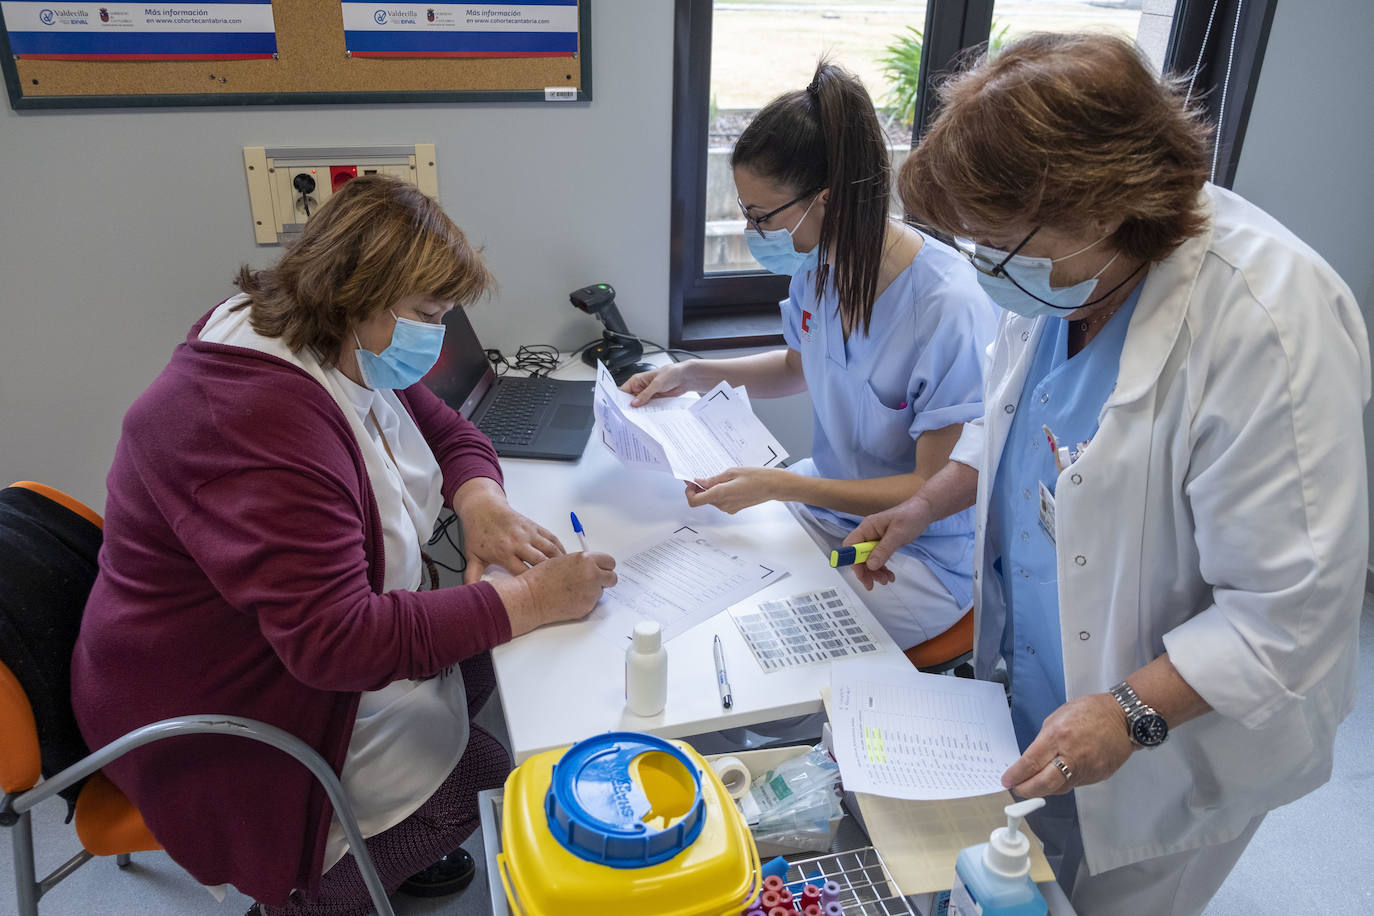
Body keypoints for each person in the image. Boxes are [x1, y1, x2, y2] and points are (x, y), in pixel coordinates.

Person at [844, 33, 1369, 916]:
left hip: (1178, 741)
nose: (988, 268)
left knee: (1115, 897)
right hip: (1038, 680)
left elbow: (1292, 615)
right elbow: (1019, 421)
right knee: (1025, 878)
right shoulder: (1068, 279)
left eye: (1000, 247)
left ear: (1107, 206)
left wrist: (1130, 711)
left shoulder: (1269, 326)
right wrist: (925, 501)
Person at [70, 175, 618, 916]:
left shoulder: (325, 337)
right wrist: (525, 598)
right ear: (358, 297)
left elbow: (449, 430)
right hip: (211, 701)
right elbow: (336, 644)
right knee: (485, 772)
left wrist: (480, 501)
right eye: (427, 314)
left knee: (492, 665)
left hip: (271, 644)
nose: (439, 333)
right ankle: (306, 898)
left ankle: (386, 853)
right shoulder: (252, 420)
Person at [624, 61, 996, 650]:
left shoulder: (947, 308)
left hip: (915, 552)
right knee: (699, 548)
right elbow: (800, 366)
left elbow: (930, 485)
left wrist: (779, 487)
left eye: (760, 215)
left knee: (760, 630)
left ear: (824, 199)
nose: (751, 227)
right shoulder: (821, 268)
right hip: (826, 505)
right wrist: (692, 373)